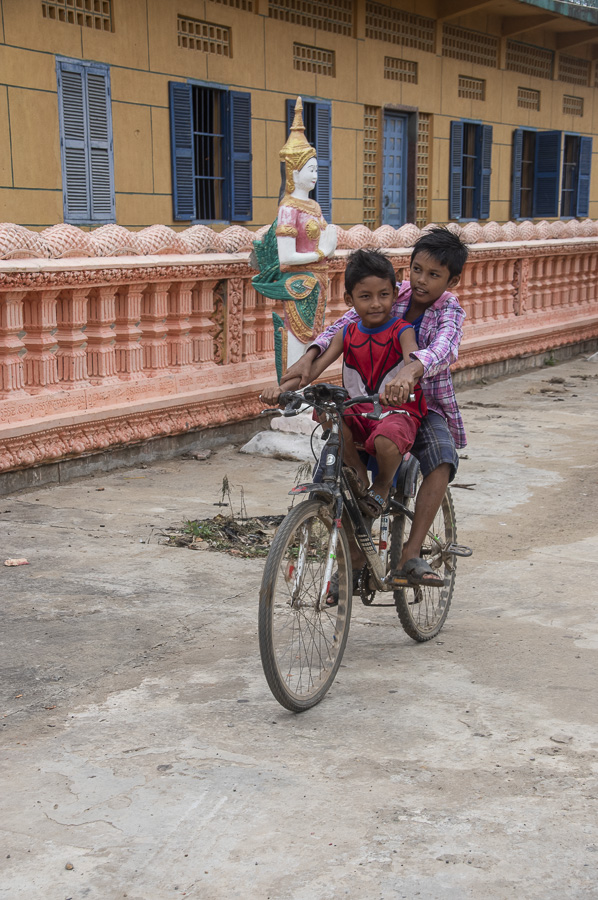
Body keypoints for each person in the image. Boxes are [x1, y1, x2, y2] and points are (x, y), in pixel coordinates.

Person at [264, 226, 469, 588]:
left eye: (434, 275)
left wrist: (408, 373)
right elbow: (342, 326)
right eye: (417, 270)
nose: (421, 281)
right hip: (366, 403)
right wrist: (304, 364)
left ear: (452, 280)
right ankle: (355, 557)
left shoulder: (449, 311)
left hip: (424, 404)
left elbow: (442, 350)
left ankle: (410, 553)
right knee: (338, 457)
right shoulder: (390, 292)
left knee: (441, 459)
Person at [251, 97, 336, 379]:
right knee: (297, 337)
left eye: (316, 169)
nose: (315, 175)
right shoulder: (288, 208)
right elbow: (286, 257)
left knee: (315, 339)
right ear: (293, 171)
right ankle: (290, 395)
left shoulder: (314, 206)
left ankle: (305, 393)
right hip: (300, 281)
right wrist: (322, 254)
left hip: (318, 282)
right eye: (310, 170)